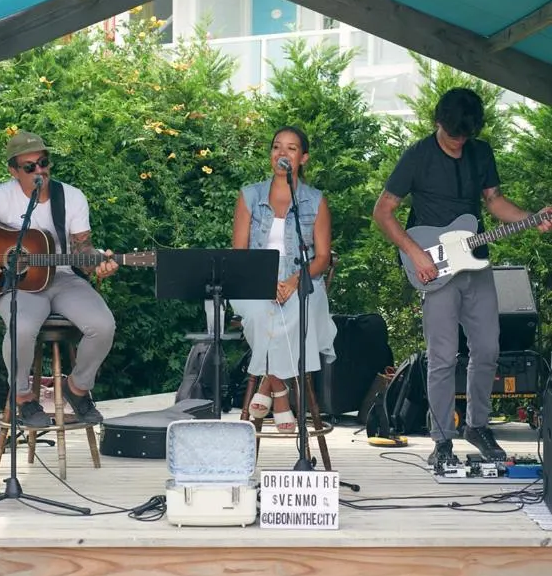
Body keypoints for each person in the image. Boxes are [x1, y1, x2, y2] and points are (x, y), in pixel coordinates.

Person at [373, 88, 552, 466]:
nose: (459, 143)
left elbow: (494, 201)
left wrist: (533, 218)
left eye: (464, 137)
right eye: (453, 135)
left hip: (476, 262)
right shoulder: (417, 156)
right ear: (438, 122)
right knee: (441, 357)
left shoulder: (480, 152)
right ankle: (441, 440)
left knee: (487, 349)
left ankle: (477, 425)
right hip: (432, 265)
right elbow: (383, 210)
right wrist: (414, 252)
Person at [0, 130, 118, 429]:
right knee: (21, 327)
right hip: (17, 283)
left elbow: (81, 251)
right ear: (13, 171)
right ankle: (22, 398)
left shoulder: (71, 198)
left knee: (103, 326)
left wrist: (97, 263)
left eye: (43, 163)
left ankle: (78, 388)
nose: (39, 171)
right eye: (29, 167)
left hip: (61, 277)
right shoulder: (0, 196)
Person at [231, 126, 337, 430]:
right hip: (254, 279)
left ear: (303, 158)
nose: (282, 154)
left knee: (296, 312)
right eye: (277, 147)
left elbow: (322, 258)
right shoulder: (249, 196)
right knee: (259, 315)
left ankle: (266, 383)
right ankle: (280, 392)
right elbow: (240, 254)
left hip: (300, 279)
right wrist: (266, 283)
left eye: (291, 149)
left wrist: (292, 282)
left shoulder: (316, 201)